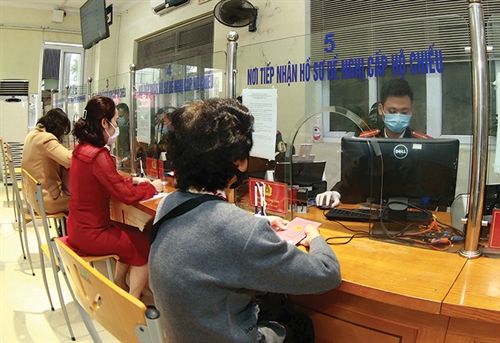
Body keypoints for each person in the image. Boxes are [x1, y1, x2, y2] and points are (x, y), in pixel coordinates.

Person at [149, 98, 342, 343]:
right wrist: (314, 237)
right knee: (300, 325)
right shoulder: (238, 230)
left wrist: (251, 223)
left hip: (183, 335)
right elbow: (327, 274)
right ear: (238, 160)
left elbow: (212, 230)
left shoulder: (168, 205)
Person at [66, 95, 163, 299]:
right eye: (116, 121)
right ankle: (132, 302)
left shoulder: (81, 149)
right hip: (93, 233)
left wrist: (133, 182)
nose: (116, 127)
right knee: (145, 246)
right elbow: (126, 195)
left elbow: (108, 181)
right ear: (104, 122)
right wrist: (152, 188)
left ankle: (120, 283)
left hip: (79, 227)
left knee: (139, 235)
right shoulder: (98, 155)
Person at [316, 79, 431, 208]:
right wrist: (335, 192)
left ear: (411, 110)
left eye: (404, 112)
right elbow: (352, 178)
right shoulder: (368, 142)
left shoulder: (424, 146)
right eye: (392, 111)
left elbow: (432, 190)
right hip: (371, 215)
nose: (398, 117)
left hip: (413, 216)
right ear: (381, 109)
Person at [22, 108, 72, 214]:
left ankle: (64, 229)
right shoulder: (46, 139)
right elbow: (69, 160)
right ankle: (69, 230)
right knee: (85, 200)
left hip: (32, 196)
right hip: (46, 200)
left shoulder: (32, 135)